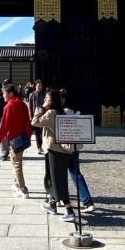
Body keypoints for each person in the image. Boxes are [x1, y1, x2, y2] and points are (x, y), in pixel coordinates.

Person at [32, 89, 79, 222]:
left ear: (52, 100)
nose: (45, 100)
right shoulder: (62, 111)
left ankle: (69, 211)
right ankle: (53, 204)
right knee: (54, 179)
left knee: (57, 181)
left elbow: (35, 121)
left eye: (47, 98)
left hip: (54, 150)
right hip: (61, 151)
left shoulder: (51, 113)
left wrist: (42, 108)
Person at [0, 83, 33, 197]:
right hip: (23, 137)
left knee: (16, 163)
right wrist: (29, 134)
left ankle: (23, 189)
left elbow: (4, 125)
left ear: (10, 93)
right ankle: (16, 184)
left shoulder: (9, 106)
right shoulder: (22, 104)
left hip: (14, 139)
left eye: (4, 93)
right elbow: (28, 121)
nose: (3, 95)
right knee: (16, 161)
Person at [28, 79, 47, 154]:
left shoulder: (44, 94)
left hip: (43, 114)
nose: (40, 87)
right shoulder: (32, 95)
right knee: (37, 132)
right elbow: (30, 106)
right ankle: (39, 147)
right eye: (39, 86)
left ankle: (42, 145)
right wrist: (31, 116)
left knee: (43, 131)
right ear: (35, 86)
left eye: (41, 86)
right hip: (35, 115)